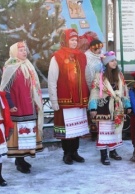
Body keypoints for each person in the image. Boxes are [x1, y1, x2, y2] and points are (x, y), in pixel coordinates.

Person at [0, 41, 44, 173]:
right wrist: (11, 105)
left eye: (25, 50)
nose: (24, 52)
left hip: (29, 105)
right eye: (21, 50)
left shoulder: (28, 65)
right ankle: (19, 160)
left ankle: (23, 158)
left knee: (26, 133)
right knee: (19, 133)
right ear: (14, 52)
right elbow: (5, 89)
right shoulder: (10, 67)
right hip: (17, 107)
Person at [48, 28, 90, 165]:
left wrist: (91, 95)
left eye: (75, 40)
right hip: (65, 99)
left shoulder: (82, 56)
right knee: (67, 128)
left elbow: (87, 76)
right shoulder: (57, 57)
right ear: (65, 41)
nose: (74, 42)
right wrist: (54, 100)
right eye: (71, 40)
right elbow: (52, 79)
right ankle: (67, 153)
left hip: (80, 99)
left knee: (76, 128)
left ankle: (75, 152)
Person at [88, 51, 131, 165]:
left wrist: (127, 104)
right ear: (106, 63)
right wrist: (93, 108)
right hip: (103, 106)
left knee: (114, 129)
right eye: (112, 60)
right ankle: (103, 154)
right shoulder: (100, 76)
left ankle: (113, 151)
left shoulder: (119, 75)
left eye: (115, 60)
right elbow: (94, 91)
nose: (114, 62)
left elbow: (124, 90)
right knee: (104, 131)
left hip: (116, 106)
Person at [85, 39, 104, 141]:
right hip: (92, 87)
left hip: (103, 87)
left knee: (102, 109)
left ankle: (102, 131)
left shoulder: (101, 57)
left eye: (100, 48)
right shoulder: (87, 57)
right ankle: (94, 132)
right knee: (93, 110)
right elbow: (88, 74)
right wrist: (91, 88)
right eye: (97, 49)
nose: (99, 51)